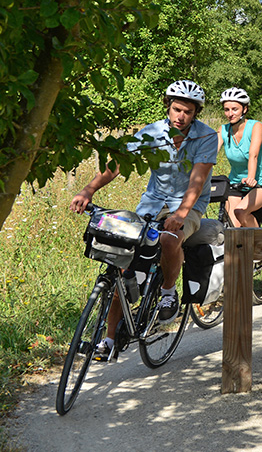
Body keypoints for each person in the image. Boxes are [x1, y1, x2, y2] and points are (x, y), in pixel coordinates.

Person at [69, 79, 217, 359]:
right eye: (176, 109)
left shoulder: (206, 137)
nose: (180, 116)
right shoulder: (151, 133)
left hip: (190, 206)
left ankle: (169, 292)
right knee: (123, 266)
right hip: (150, 204)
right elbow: (118, 163)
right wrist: (88, 189)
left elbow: (197, 179)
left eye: (187, 111)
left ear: (195, 112)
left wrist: (182, 213)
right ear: (168, 106)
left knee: (170, 237)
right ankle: (109, 340)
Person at [216, 87, 262, 228]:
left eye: (234, 109)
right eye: (226, 109)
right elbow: (210, 154)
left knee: (241, 212)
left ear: (244, 109)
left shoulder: (256, 126)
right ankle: (240, 250)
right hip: (236, 182)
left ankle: (259, 245)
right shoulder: (223, 130)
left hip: (260, 182)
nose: (230, 114)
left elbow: (253, 155)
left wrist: (251, 177)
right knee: (232, 226)